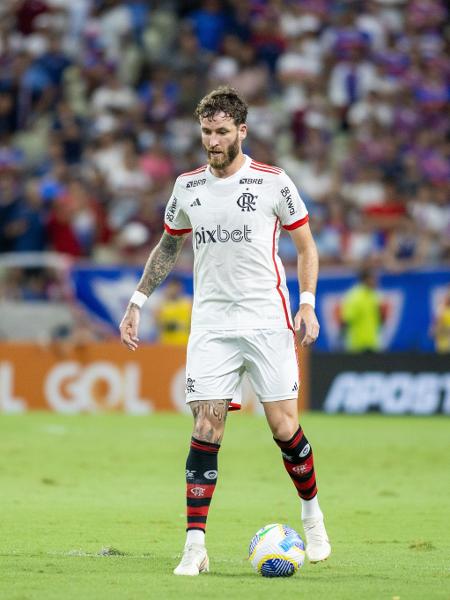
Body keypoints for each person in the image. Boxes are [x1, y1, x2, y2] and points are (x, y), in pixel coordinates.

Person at [119, 86, 330, 576]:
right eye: (205, 132)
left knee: (283, 428)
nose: (212, 141)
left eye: (220, 132)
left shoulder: (273, 182)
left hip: (266, 318)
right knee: (207, 423)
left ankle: (312, 516)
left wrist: (307, 304)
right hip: (211, 322)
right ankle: (195, 546)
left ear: (242, 131)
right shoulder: (187, 186)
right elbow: (168, 247)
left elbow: (307, 247)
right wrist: (137, 301)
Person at [340, 266, 383, 352]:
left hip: (372, 343)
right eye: (373, 278)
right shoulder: (355, 296)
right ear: (366, 279)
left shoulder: (374, 295)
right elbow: (346, 320)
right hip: (357, 345)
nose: (376, 281)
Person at [155, 277, 192, 346]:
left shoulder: (188, 303)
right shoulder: (161, 305)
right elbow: (158, 324)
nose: (174, 290)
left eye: (177, 287)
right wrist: (173, 326)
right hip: (166, 343)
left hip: (184, 344)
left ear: (181, 288)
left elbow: (193, 323)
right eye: (172, 287)